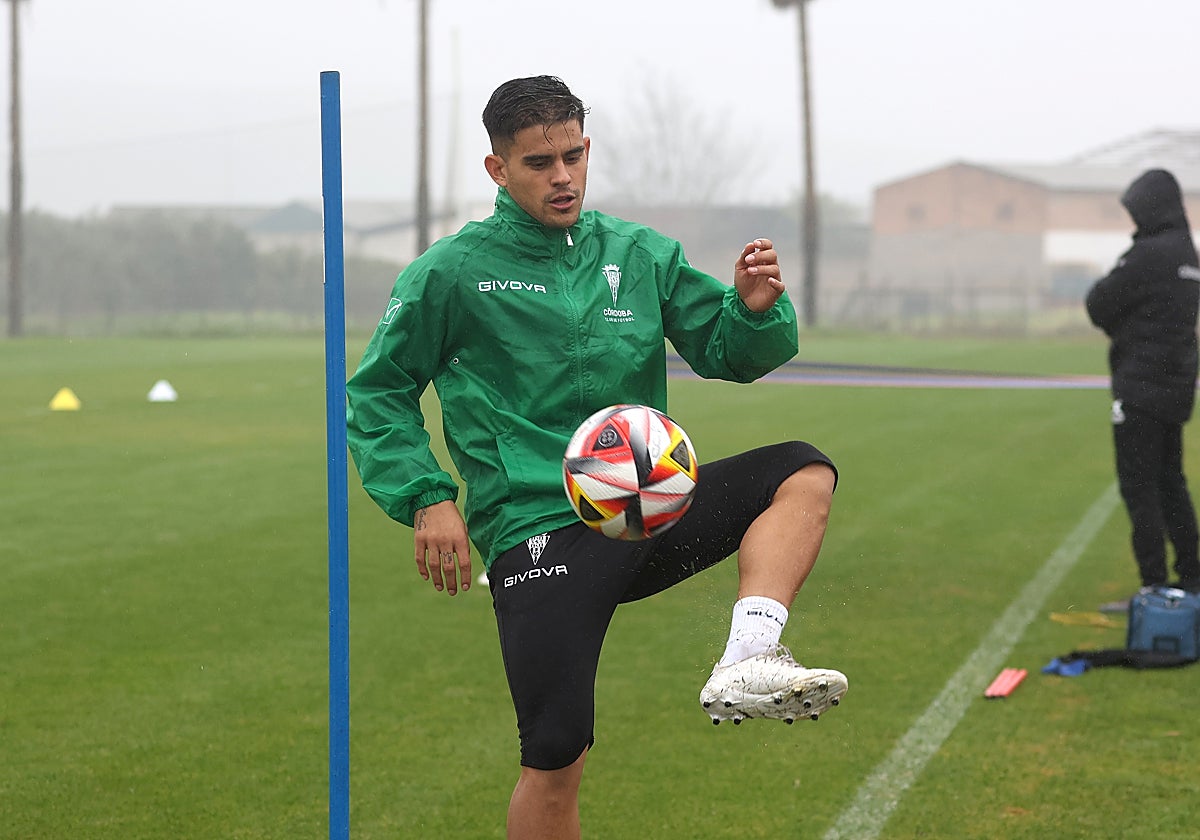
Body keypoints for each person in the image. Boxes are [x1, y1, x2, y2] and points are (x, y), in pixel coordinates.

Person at [345, 75, 846, 840]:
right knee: (554, 759)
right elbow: (378, 391)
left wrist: (750, 312)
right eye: (540, 162)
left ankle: (749, 656)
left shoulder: (638, 253)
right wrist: (426, 496)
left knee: (801, 471)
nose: (563, 177)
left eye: (574, 156)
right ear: (498, 170)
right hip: (537, 531)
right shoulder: (451, 273)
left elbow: (724, 349)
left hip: (648, 513)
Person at [1086, 168, 1200, 600]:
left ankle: (1153, 585)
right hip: (1177, 385)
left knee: (1139, 485)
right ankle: (1192, 577)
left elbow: (1100, 304)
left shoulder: (1148, 254)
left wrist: (1123, 324)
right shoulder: (1187, 252)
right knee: (1171, 481)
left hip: (1141, 385)